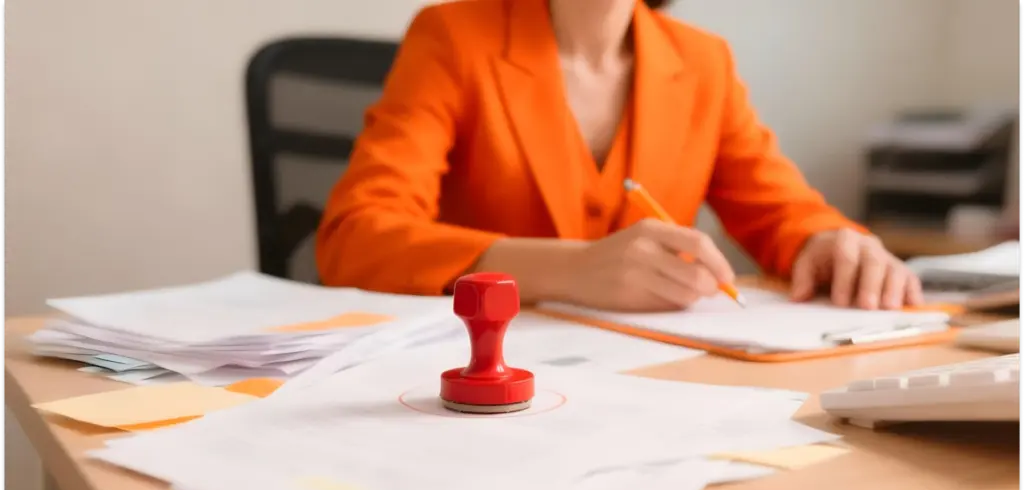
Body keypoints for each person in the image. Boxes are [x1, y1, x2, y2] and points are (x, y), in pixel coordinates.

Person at [316, 0, 923, 312]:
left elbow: (783, 209)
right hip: (476, 385)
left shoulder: (703, 61)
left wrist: (825, 241)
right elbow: (355, 239)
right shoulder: (453, 38)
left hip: (646, 386)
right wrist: (572, 270)